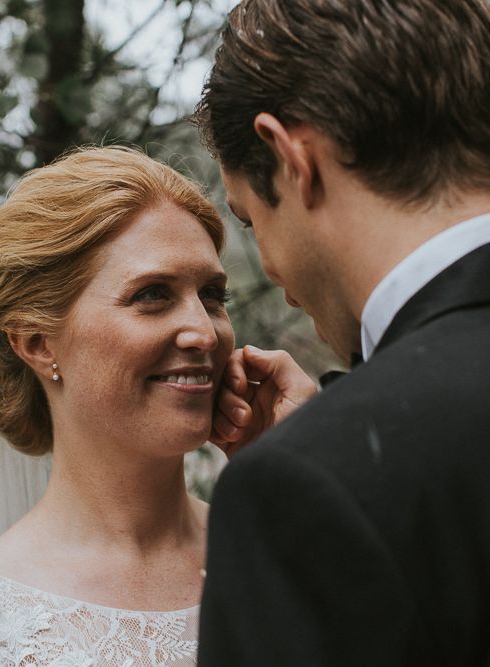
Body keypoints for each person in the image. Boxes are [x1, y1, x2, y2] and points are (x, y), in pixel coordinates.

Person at [0, 145, 313, 666]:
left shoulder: (290, 552)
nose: (203, 331)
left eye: (213, 296)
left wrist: (301, 479)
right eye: (152, 294)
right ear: (38, 342)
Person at [194, 0, 490, 665]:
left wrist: (333, 452)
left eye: (248, 220)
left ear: (290, 157)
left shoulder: (303, 488)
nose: (268, 268)